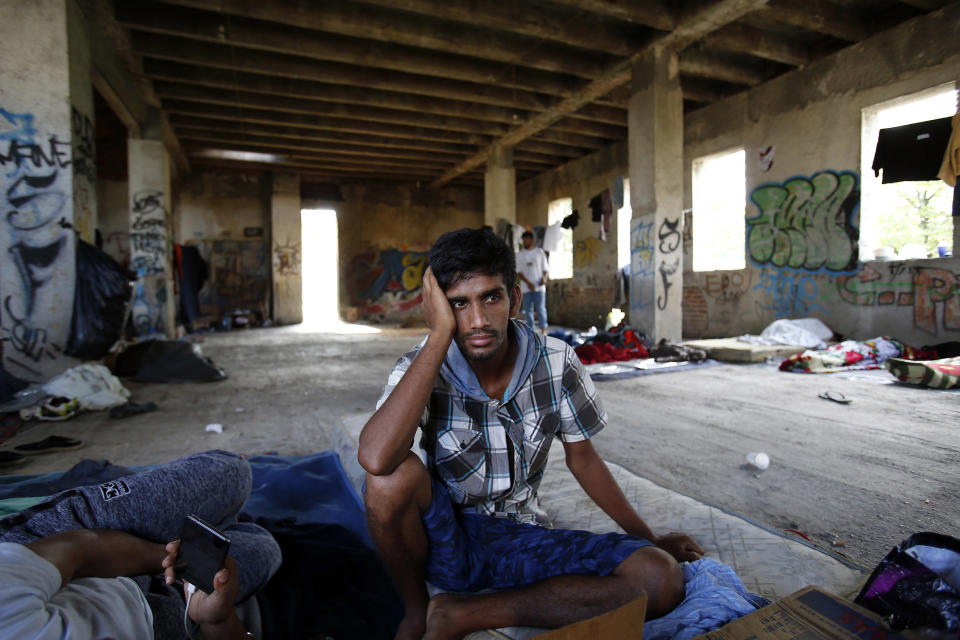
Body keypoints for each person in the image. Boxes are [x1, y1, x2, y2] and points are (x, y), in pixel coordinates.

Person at [359, 227, 703, 640]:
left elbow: (584, 458)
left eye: (491, 297)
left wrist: (650, 539)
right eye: (458, 305)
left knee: (659, 579)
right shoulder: (420, 366)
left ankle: (461, 613)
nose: (478, 320)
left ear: (515, 299)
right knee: (389, 479)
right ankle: (417, 612)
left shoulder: (556, 361)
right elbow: (376, 460)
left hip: (520, 536)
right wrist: (438, 339)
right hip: (442, 538)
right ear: (439, 310)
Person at [0, 449, 281, 640]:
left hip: (57, 543)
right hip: (148, 619)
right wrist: (217, 622)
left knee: (230, 471)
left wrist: (170, 557)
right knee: (265, 548)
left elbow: (79, 549)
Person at [515, 230, 550, 334]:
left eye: (526, 239)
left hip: (539, 288)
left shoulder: (539, 252)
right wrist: (528, 283)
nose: (524, 242)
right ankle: (531, 331)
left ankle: (543, 330)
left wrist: (544, 279)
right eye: (523, 240)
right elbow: (519, 272)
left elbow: (546, 270)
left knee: (541, 309)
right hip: (526, 288)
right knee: (528, 311)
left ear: (531, 240)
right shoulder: (520, 255)